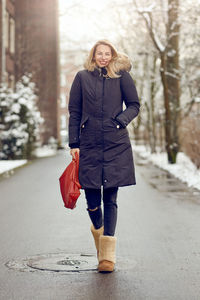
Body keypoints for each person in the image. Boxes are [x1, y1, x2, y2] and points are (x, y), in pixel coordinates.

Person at [68, 40, 140, 272]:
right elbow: (75, 111)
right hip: (88, 143)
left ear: (112, 56)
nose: (103, 57)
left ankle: (107, 257)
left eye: (107, 53)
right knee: (91, 200)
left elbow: (134, 105)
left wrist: (119, 122)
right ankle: (99, 234)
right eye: (99, 53)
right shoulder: (81, 77)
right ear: (93, 55)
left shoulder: (122, 77)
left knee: (110, 197)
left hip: (114, 143)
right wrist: (74, 143)